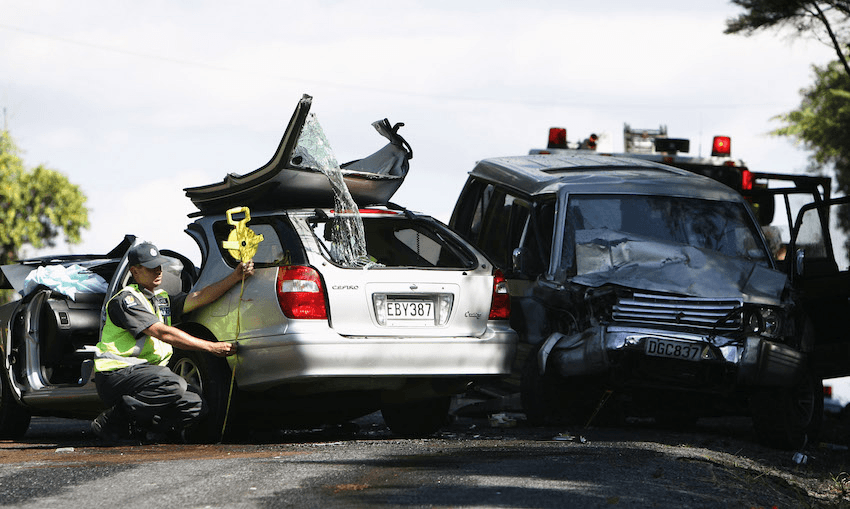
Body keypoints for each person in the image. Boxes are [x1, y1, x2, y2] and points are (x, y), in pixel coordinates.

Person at [90, 241, 254, 443]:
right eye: (151, 268)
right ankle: (112, 422)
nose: (158, 271)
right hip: (116, 375)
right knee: (173, 384)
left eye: (159, 266)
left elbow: (200, 296)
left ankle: (144, 430)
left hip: (146, 376)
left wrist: (235, 277)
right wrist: (211, 347)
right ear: (135, 271)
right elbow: (162, 333)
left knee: (195, 405)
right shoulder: (125, 300)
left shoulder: (161, 299)